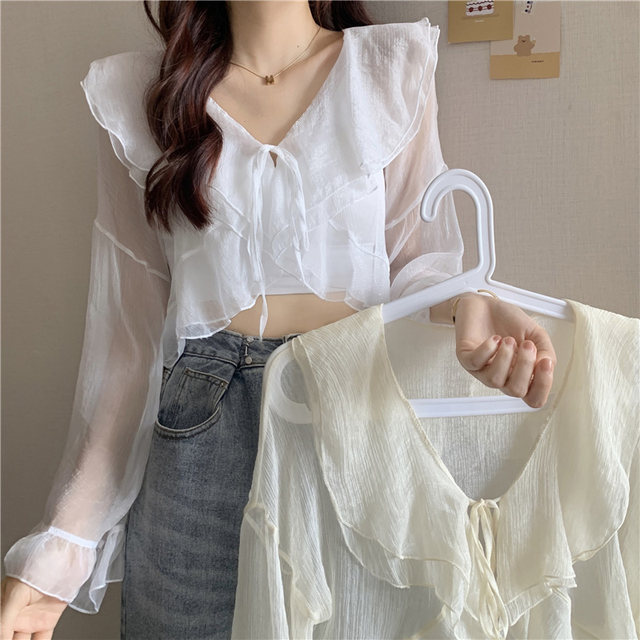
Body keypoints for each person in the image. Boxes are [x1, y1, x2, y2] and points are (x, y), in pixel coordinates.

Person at [0, 2, 557, 639]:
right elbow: (129, 354)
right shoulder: (141, 98)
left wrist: (467, 302)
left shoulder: (386, 71)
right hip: (198, 440)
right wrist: (60, 552)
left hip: (355, 422)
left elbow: (417, 263)